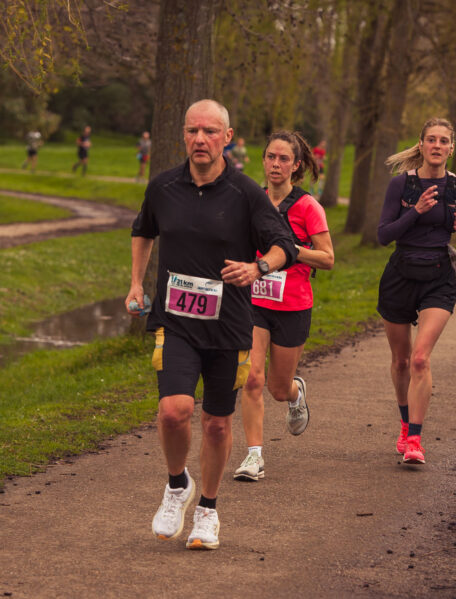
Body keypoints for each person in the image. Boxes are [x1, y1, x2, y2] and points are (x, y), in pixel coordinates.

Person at [126, 99, 297, 550]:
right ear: (183, 135)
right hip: (176, 323)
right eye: (192, 131)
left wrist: (258, 268)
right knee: (173, 411)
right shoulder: (163, 187)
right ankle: (177, 484)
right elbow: (143, 230)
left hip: (228, 327)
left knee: (217, 425)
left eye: (210, 131)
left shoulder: (246, 193)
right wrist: (136, 284)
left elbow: (284, 244)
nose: (200, 139)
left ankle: (208, 509)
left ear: (228, 137)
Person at [233, 131, 335, 482]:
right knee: (251, 377)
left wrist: (290, 250)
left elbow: (328, 258)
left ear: (296, 166)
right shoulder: (252, 201)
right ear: (263, 160)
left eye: (284, 159)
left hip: (292, 305)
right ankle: (254, 456)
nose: (276, 164)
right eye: (271, 157)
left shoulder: (308, 206)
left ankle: (295, 392)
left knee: (277, 388)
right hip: (254, 301)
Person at [376, 117, 456, 465]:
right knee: (402, 361)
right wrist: (415, 211)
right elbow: (383, 235)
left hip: (438, 277)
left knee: (420, 358)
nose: (437, 145)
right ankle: (405, 425)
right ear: (421, 145)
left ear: (451, 148)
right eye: (431, 139)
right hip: (400, 276)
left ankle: (415, 440)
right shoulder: (401, 185)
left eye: (443, 140)